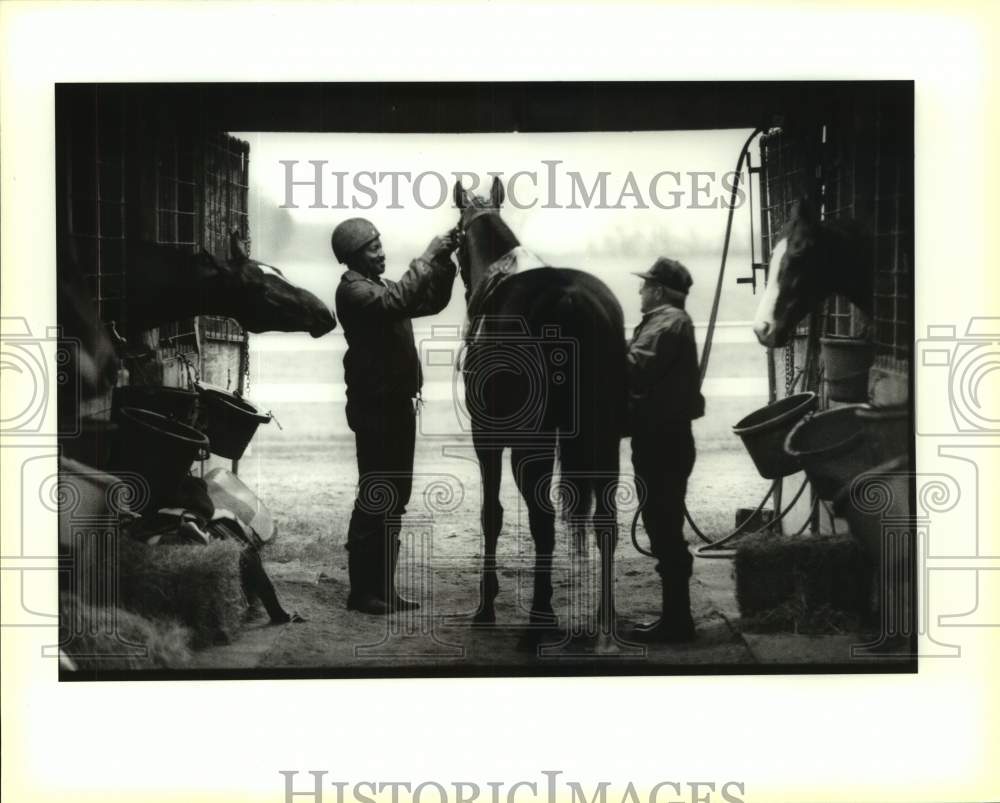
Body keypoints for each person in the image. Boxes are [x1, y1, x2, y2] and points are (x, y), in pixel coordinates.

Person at [332, 218, 458, 615]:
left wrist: (445, 261)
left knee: (395, 500)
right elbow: (398, 303)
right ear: (354, 257)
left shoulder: (381, 287)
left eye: (380, 244)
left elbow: (430, 301)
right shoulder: (353, 292)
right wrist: (427, 255)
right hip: (375, 411)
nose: (382, 252)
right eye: (373, 248)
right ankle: (362, 594)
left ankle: (383, 590)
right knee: (375, 498)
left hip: (399, 407)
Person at [626, 257, 705, 643]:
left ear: (657, 290)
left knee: (664, 529)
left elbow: (635, 367)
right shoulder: (670, 321)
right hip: (663, 437)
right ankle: (676, 617)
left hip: (662, 440)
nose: (640, 292)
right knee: (662, 526)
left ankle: (678, 622)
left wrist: (599, 344)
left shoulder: (667, 322)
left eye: (644, 286)